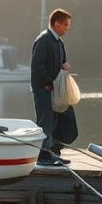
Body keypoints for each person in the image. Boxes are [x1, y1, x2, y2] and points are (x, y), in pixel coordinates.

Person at [31, 9, 78, 166]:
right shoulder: (43, 39)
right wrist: (48, 83)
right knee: (46, 123)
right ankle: (43, 157)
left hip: (57, 91)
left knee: (65, 124)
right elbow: (37, 66)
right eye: (65, 24)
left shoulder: (58, 41)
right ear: (56, 23)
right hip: (44, 91)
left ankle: (54, 152)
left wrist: (64, 67)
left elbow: (60, 64)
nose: (67, 28)